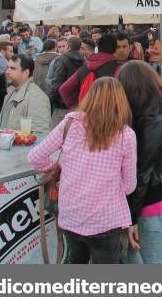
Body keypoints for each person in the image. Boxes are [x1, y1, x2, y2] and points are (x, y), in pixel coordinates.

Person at [28, 77, 137, 264]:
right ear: (121, 101)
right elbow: (129, 186)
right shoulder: (125, 134)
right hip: (106, 220)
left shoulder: (70, 123)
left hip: (72, 215)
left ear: (90, 97)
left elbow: (35, 158)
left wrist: (57, 167)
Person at [117, 61, 162, 264]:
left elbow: (142, 174)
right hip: (155, 201)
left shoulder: (152, 121)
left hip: (150, 205)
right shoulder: (157, 112)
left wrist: (131, 217)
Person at [59, 34, 118, 110]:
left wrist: (76, 108)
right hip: (109, 115)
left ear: (98, 48)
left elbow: (64, 89)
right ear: (115, 50)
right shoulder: (118, 68)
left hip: (85, 113)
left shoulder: (85, 67)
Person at [0, 54, 51, 133]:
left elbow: (40, 134)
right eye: (7, 67)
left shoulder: (37, 97)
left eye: (12, 68)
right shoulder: (11, 92)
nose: (7, 72)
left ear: (26, 72)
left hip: (19, 145)